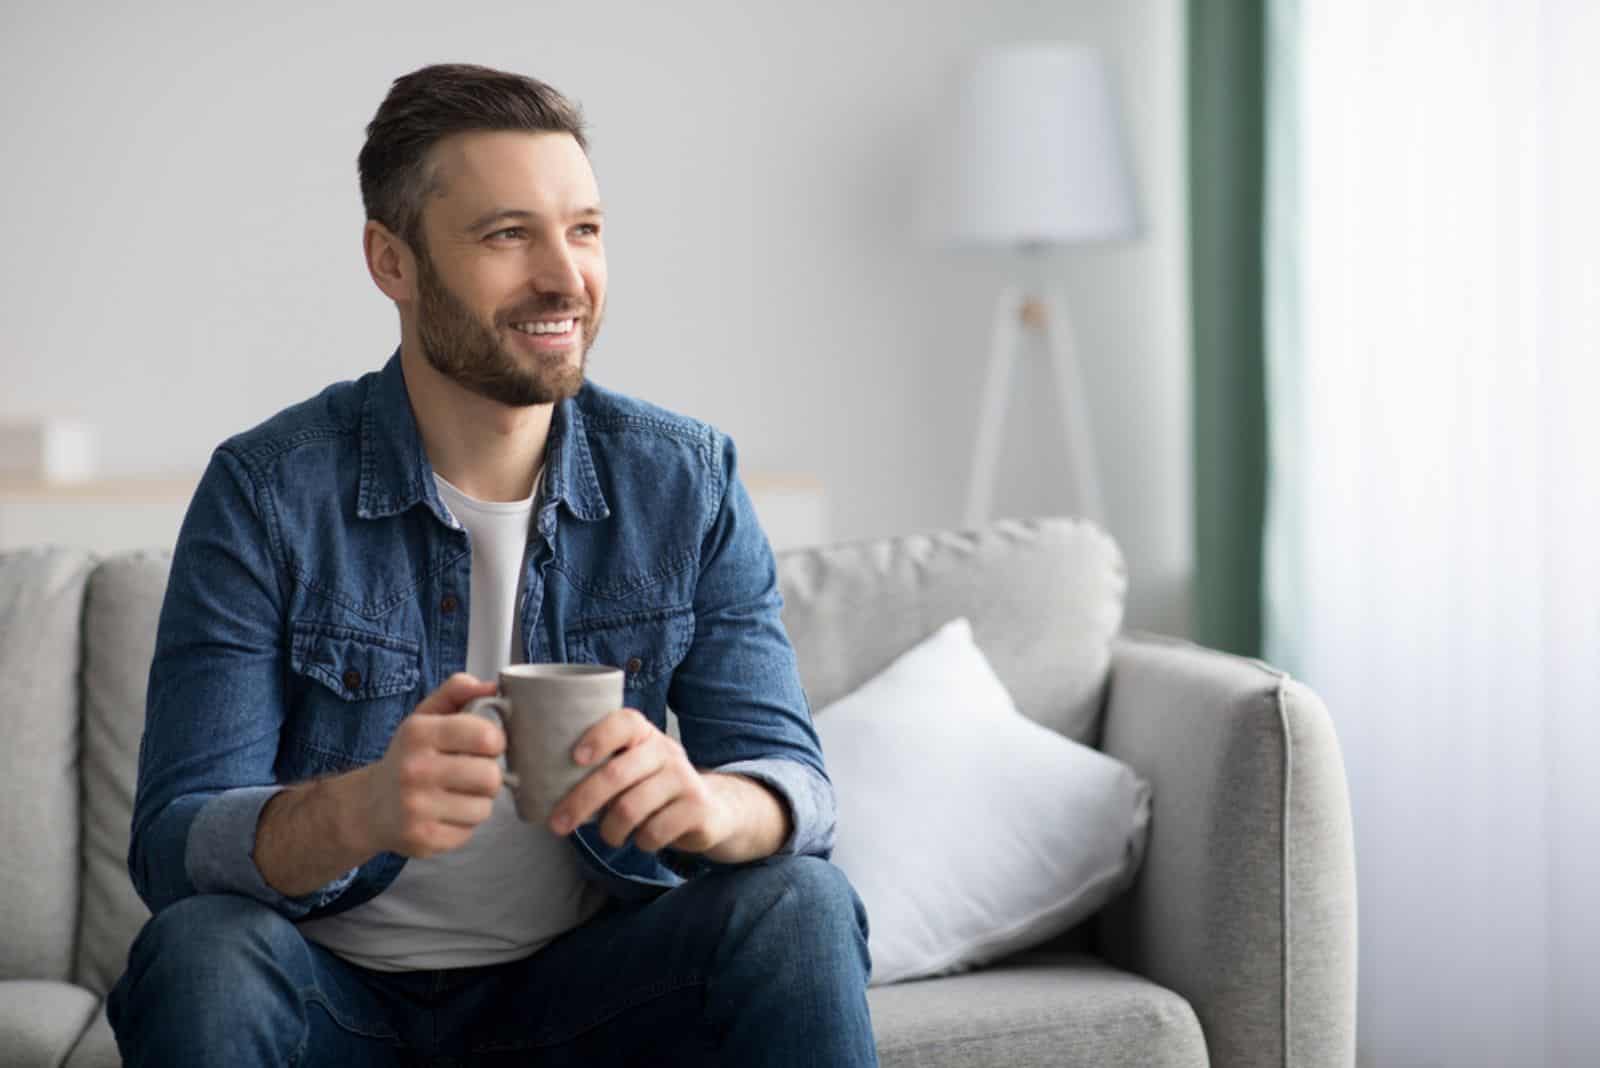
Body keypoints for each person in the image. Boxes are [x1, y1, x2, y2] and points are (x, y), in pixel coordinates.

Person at [107, 62, 877, 1067]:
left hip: (592, 992)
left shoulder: (685, 481)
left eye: (585, 229)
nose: (565, 277)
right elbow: (175, 844)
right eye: (508, 235)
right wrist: (360, 810)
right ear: (393, 261)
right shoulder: (267, 491)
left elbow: (795, 785)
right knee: (198, 951)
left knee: (800, 901)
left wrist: (712, 805)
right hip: (337, 1002)